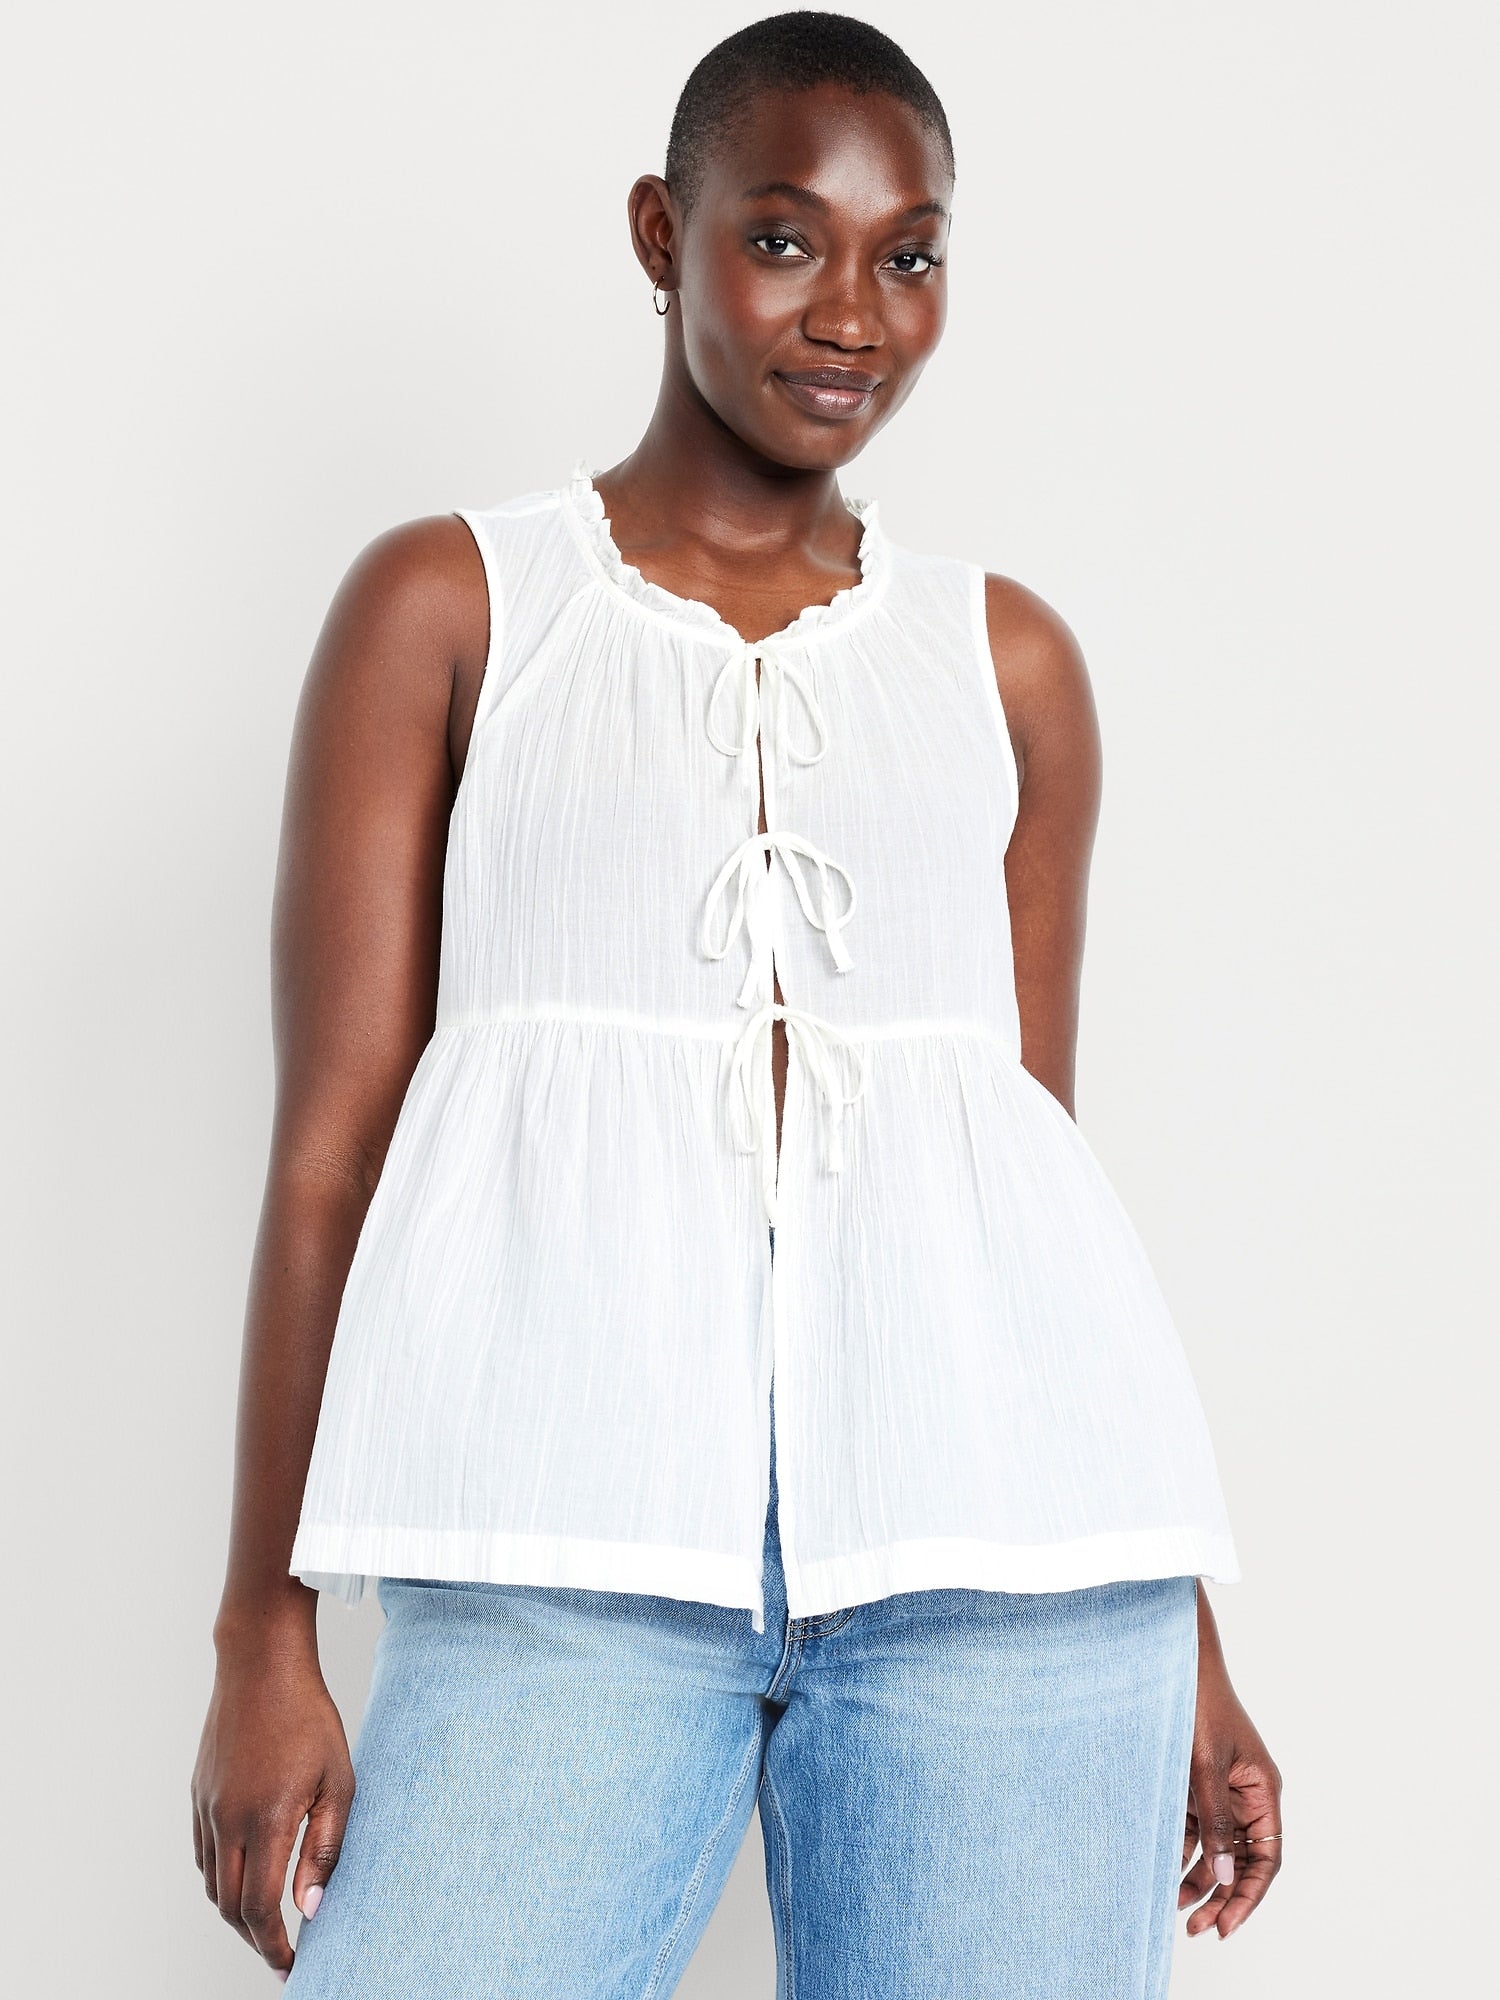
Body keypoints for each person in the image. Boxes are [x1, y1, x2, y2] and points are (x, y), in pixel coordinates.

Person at [191, 13, 1283, 1995]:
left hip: (1015, 1577)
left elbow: (1032, 1164)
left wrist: (1190, 1642)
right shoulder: (453, 608)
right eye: (786, 239)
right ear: (660, 231)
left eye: (909, 256)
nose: (852, 311)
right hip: (563, 1553)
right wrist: (264, 1633)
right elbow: (331, 1153)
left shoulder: (1007, 662)